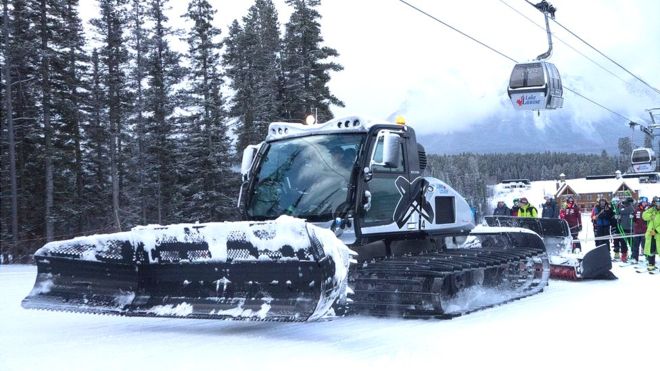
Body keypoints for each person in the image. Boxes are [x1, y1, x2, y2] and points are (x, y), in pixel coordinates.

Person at [642, 196, 660, 272]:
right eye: (657, 203)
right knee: (651, 250)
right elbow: (644, 216)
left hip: (658, 234)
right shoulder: (652, 211)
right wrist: (651, 215)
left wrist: (656, 231)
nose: (658, 205)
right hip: (650, 234)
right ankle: (651, 264)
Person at [614, 197, 634, 263]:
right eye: (629, 202)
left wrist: (621, 210)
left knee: (632, 242)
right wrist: (618, 215)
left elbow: (628, 210)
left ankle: (634, 254)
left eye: (631, 202)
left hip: (631, 227)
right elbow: (619, 212)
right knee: (623, 242)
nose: (630, 204)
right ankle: (624, 255)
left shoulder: (631, 207)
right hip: (623, 227)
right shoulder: (621, 206)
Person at [631, 196, 649, 265]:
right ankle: (635, 258)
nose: (645, 203)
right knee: (635, 245)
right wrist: (632, 217)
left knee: (645, 245)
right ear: (641, 202)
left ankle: (648, 258)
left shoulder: (647, 210)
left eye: (646, 202)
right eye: (644, 202)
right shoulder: (636, 209)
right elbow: (635, 220)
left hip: (645, 231)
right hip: (637, 230)